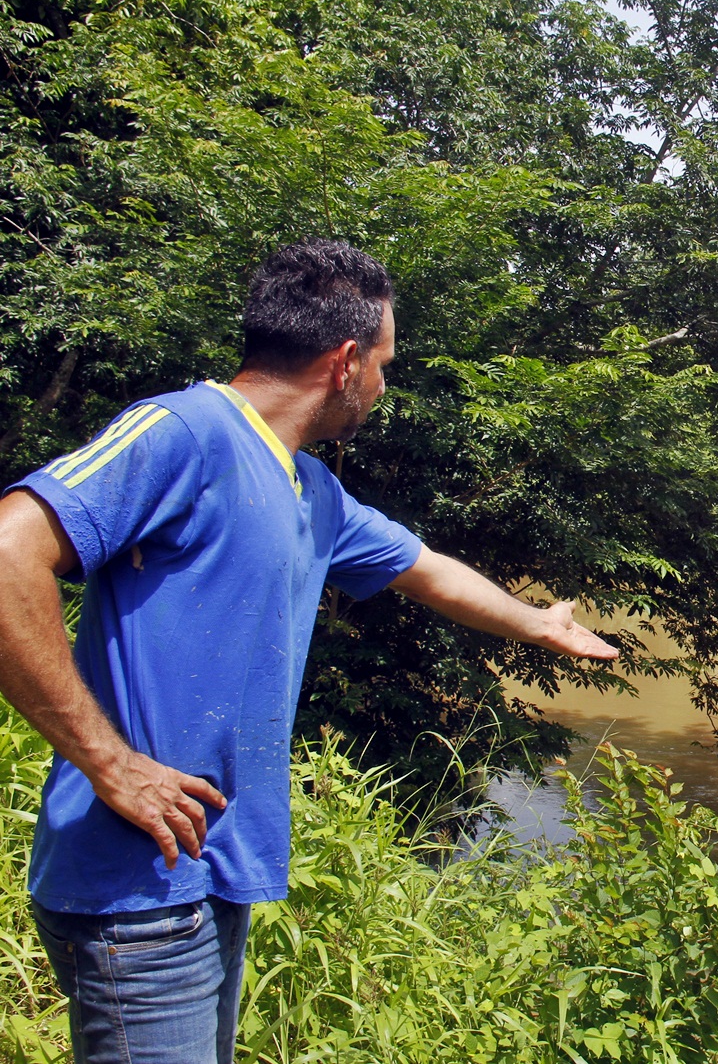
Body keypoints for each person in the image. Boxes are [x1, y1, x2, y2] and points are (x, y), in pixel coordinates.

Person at [0, 238, 618, 1063]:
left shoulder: (309, 487)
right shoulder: (186, 432)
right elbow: (8, 555)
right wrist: (110, 762)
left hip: (209, 872)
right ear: (347, 360)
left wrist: (538, 623)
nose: (384, 388)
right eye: (385, 366)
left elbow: (426, 570)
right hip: (137, 890)